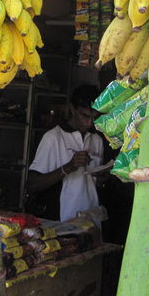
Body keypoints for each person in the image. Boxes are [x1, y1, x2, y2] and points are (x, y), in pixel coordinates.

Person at [26, 85, 104, 222]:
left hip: (90, 220)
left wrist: (103, 178)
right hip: (61, 220)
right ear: (72, 109)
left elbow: (94, 183)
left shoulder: (96, 140)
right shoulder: (53, 138)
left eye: (94, 117)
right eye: (84, 116)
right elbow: (32, 184)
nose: (89, 123)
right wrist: (68, 167)